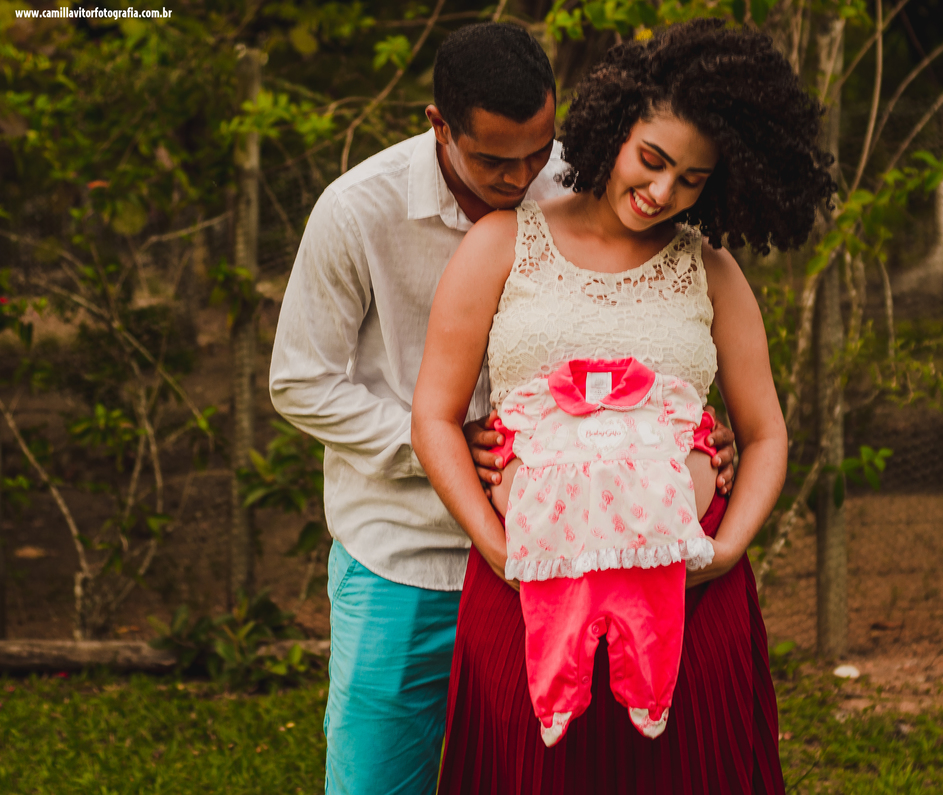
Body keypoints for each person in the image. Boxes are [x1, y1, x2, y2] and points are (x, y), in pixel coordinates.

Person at [269, 23, 733, 795]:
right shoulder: (356, 210)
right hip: (406, 553)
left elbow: (647, 314)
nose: (522, 176)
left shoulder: (585, 179)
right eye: (493, 160)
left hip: (570, 558)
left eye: (537, 151)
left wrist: (686, 435)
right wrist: (445, 444)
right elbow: (300, 380)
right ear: (439, 125)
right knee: (379, 779)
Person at [412, 19, 835, 793]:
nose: (663, 192)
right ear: (615, 129)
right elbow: (434, 416)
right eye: (653, 159)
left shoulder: (710, 270)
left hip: (687, 596)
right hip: (528, 585)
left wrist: (727, 550)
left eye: (693, 179)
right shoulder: (503, 243)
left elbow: (766, 433)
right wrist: (499, 550)